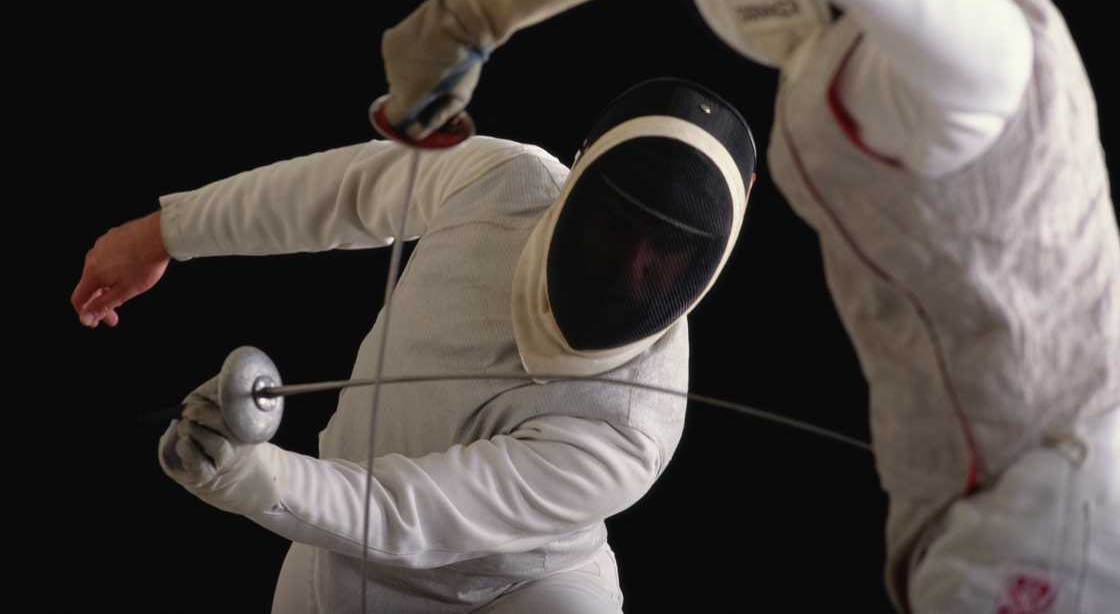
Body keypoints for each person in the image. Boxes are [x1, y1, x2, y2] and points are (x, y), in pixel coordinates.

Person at [371, 0, 1120, 611]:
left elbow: (975, 42)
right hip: (1022, 496)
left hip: (1045, 502)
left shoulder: (950, 58)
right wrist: (469, 14)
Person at [71, 74, 757, 612]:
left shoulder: (634, 426)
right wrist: (163, 234)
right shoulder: (507, 181)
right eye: (616, 224)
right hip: (339, 548)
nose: (631, 267)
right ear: (577, 176)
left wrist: (259, 477)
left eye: (667, 250)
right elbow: (344, 189)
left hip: (519, 592)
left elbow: (415, 511)